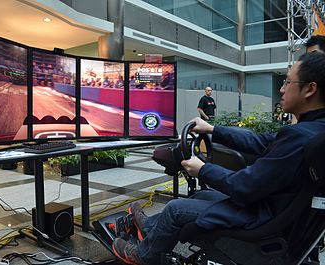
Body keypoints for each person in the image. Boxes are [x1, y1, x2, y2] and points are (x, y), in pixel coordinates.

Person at [111, 52, 325, 265]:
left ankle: (144, 256)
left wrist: (202, 169)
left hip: (261, 220)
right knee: (201, 196)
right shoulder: (314, 130)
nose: (282, 88)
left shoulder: (298, 136)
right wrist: (213, 129)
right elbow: (259, 142)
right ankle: (150, 229)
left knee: (175, 209)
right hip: (275, 213)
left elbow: (245, 186)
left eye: (287, 82)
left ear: (310, 89)